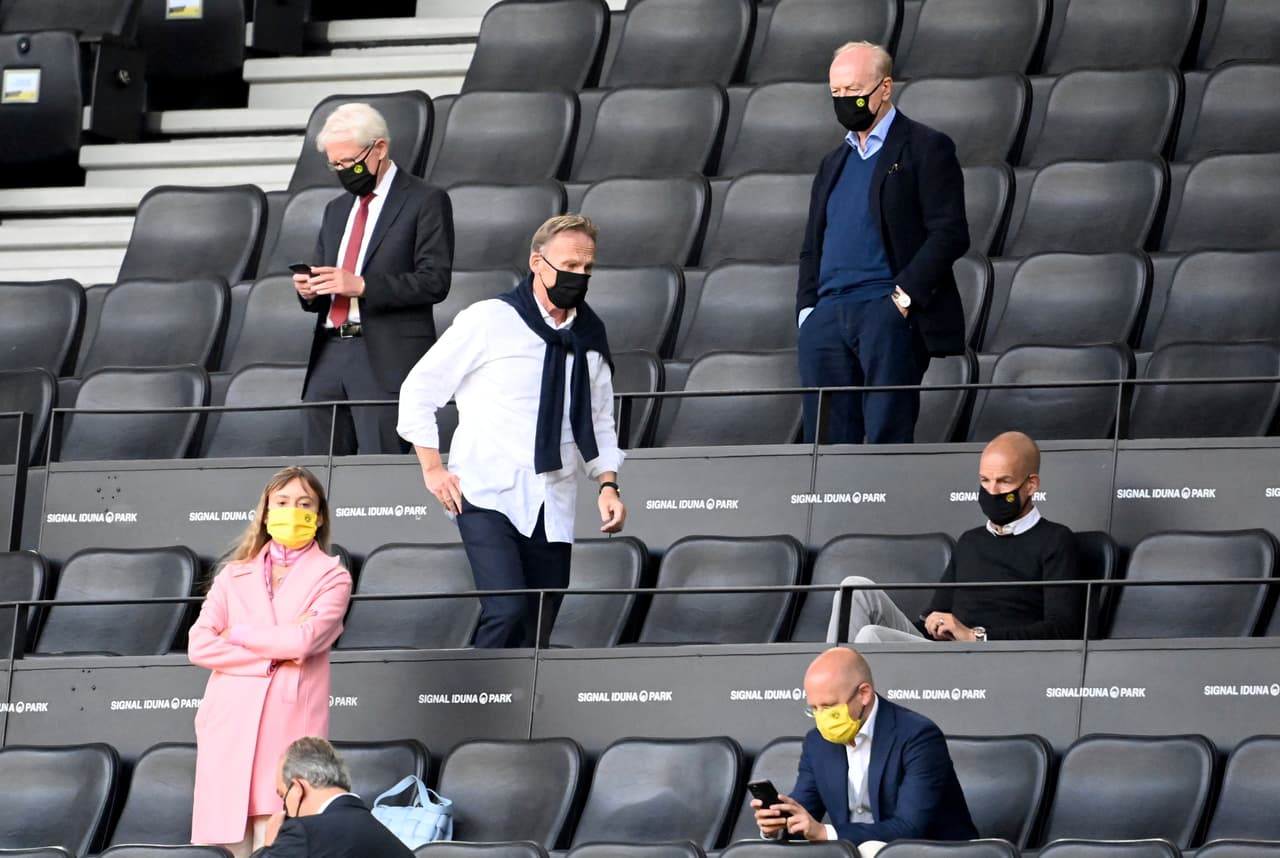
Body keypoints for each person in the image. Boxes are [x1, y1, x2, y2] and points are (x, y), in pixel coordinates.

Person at [397, 214, 626, 648]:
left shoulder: (590, 335)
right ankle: (474, 690)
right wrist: (432, 469)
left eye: (587, 267)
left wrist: (608, 485)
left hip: (553, 500)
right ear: (538, 263)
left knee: (537, 627)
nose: (579, 275)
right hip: (485, 490)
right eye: (570, 265)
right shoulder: (490, 319)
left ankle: (507, 694)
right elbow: (419, 389)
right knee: (507, 609)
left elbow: (599, 420)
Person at [797, 41, 969, 444]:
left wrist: (902, 299)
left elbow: (950, 232)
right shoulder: (832, 163)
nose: (845, 100)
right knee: (826, 447)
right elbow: (812, 246)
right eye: (837, 92)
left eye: (854, 90)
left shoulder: (926, 146)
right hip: (827, 317)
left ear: (885, 88)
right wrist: (807, 313)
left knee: (885, 442)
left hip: (886, 312)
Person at [189, 466, 353, 858]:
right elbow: (199, 645)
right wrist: (271, 658)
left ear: (319, 516)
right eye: (281, 502)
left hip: (288, 726)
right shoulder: (232, 575)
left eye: (304, 504)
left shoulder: (332, 576)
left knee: (279, 840)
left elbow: (303, 640)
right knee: (223, 843)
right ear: (265, 512)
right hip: (228, 724)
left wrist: (239, 633)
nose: (292, 511)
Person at [295, 102, 454, 456]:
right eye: (335, 165)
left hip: (385, 355)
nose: (343, 171)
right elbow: (330, 277)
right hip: (330, 349)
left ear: (379, 148)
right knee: (319, 467)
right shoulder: (336, 209)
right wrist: (310, 291)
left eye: (349, 162)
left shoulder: (426, 200)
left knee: (378, 472)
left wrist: (363, 286)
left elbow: (434, 281)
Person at [827, 431, 1084, 643]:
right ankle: (827, 683)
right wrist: (936, 623)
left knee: (871, 636)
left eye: (1004, 482)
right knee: (854, 588)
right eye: (985, 480)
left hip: (994, 658)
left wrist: (976, 637)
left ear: (1031, 485)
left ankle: (842, 683)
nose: (992, 490)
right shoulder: (970, 541)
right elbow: (931, 619)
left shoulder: (1056, 540)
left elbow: (1062, 629)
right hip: (942, 653)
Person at [754, 647, 977, 852]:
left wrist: (825, 833)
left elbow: (910, 827)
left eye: (829, 707)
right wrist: (776, 825)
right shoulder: (817, 743)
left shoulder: (918, 736)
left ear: (864, 694)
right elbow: (804, 811)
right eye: (814, 709)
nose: (822, 718)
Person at [252, 737, 414, 858]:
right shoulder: (394, 844)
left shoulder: (303, 832)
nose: (285, 809)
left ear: (297, 788)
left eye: (283, 797)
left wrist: (270, 846)